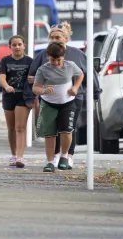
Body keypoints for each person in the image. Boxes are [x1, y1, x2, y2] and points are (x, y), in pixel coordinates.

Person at [23, 22, 96, 168]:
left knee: (68, 127)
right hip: (49, 99)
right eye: (52, 37)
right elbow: (33, 76)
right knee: (51, 129)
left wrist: (93, 91)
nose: (55, 40)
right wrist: (36, 89)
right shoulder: (44, 55)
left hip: (73, 97)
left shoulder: (76, 55)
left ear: (66, 38)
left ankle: (68, 156)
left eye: (58, 37)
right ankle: (53, 157)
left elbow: (86, 73)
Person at [32, 42, 84, 172]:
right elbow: (35, 87)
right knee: (49, 134)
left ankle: (64, 156)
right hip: (49, 104)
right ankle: (50, 161)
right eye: (52, 59)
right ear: (47, 56)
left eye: (58, 60)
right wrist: (43, 91)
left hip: (67, 103)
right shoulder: (43, 70)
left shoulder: (70, 66)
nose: (55, 63)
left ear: (63, 56)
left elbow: (80, 74)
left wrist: (75, 87)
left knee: (66, 131)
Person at [0, 35, 34, 168]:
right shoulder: (5, 61)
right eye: (14, 45)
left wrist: (33, 80)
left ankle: (20, 156)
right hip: (9, 96)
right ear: (10, 47)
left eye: (19, 44)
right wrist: (6, 86)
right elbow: (1, 77)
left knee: (20, 127)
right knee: (11, 128)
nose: (17, 47)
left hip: (23, 97)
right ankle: (13, 155)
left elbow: (34, 76)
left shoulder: (30, 61)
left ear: (24, 46)